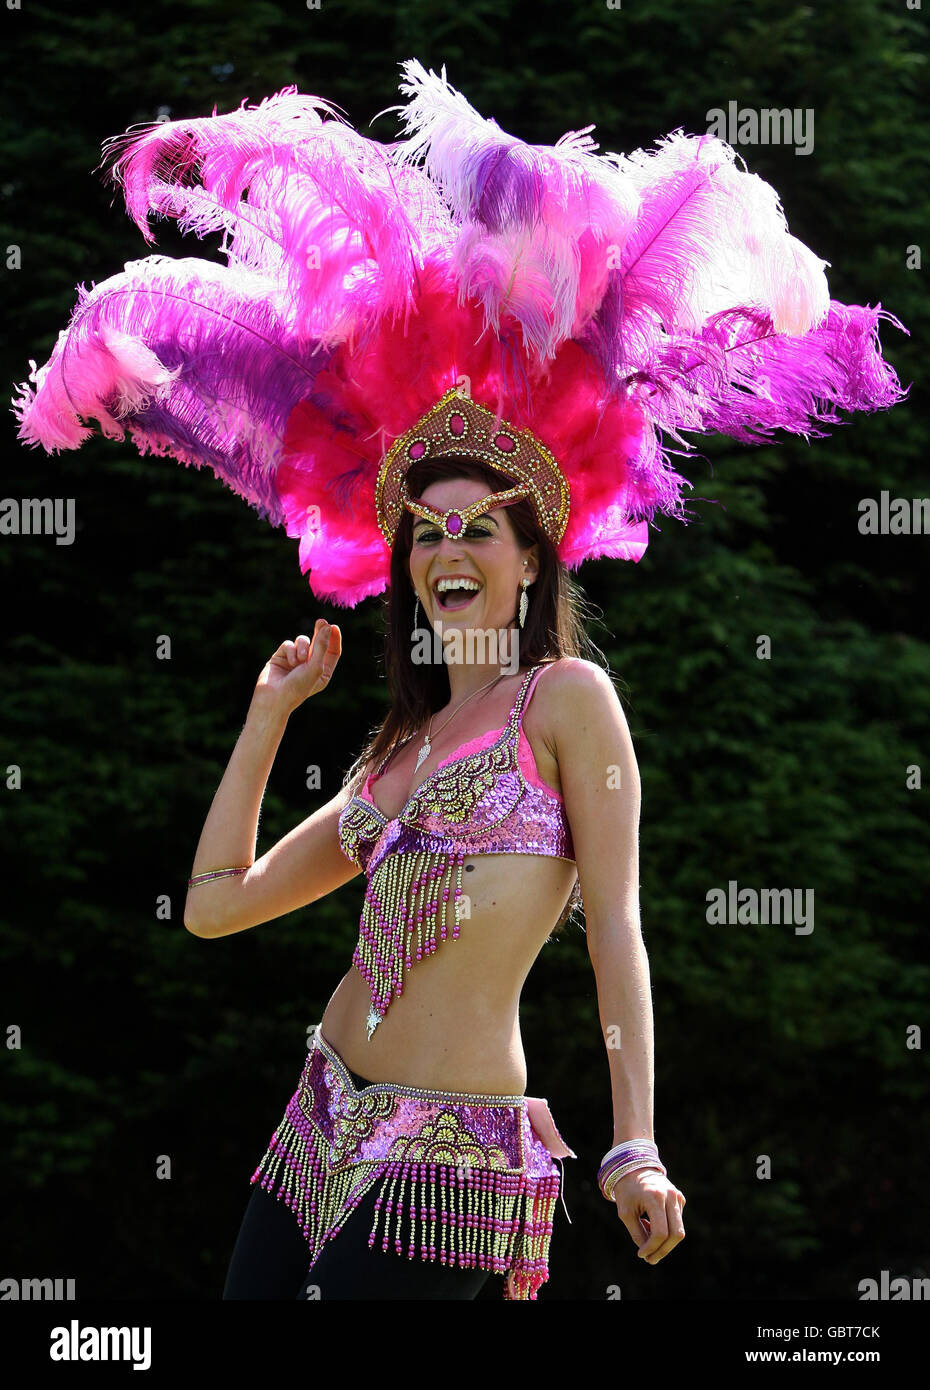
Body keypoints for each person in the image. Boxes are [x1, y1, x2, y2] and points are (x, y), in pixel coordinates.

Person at [13, 60, 907, 1300]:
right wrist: (271, 716)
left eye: (481, 527)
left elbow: (621, 936)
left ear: (534, 553)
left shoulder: (565, 705)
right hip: (310, 1129)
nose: (450, 548)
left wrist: (635, 1142)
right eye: (429, 531)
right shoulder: (391, 752)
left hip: (451, 1166)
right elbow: (216, 905)